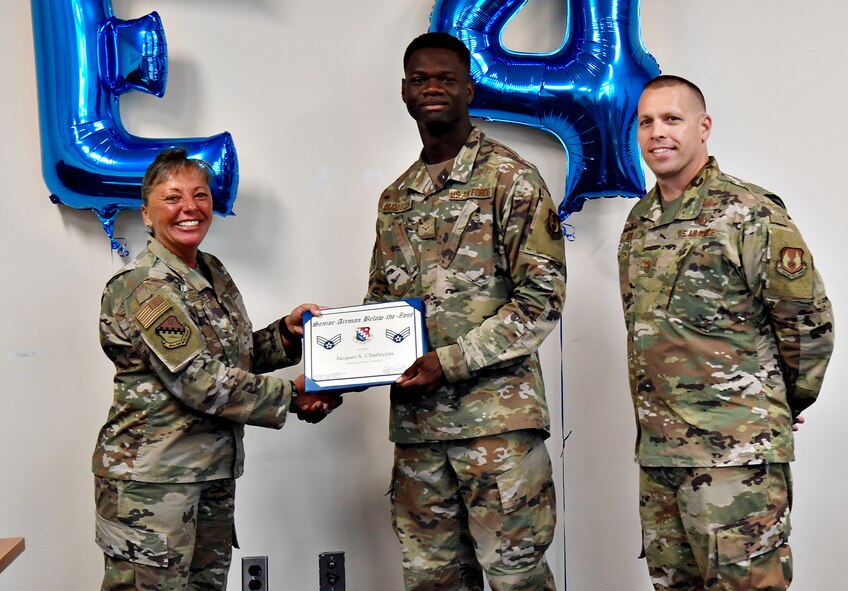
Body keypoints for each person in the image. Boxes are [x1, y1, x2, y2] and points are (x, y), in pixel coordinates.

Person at [363, 32, 567, 591]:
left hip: (496, 430)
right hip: (418, 434)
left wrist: (448, 361)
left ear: (468, 89)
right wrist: (334, 370)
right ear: (405, 91)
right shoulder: (396, 198)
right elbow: (382, 309)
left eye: (445, 78)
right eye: (420, 79)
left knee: (515, 581)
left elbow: (541, 301)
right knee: (431, 581)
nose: (432, 88)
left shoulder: (512, 179)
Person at [618, 75, 835, 590]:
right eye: (646, 121)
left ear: (703, 126)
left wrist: (780, 402)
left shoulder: (749, 212)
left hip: (736, 458)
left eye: (672, 119)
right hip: (660, 456)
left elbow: (808, 323)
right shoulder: (639, 222)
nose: (657, 133)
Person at [91, 148, 341, 591]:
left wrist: (286, 333)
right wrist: (292, 395)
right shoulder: (143, 286)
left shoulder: (212, 272)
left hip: (208, 473)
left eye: (200, 195)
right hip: (153, 483)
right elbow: (199, 381)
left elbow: (233, 359)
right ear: (147, 214)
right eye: (172, 198)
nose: (189, 208)